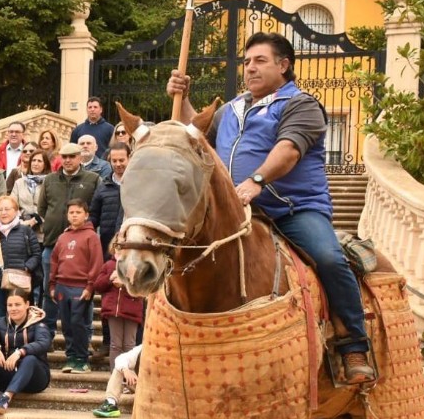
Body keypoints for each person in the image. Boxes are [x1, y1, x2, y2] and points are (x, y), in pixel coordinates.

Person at [167, 31, 375, 382]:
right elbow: (196, 134)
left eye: (260, 61)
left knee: (329, 258)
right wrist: (183, 98)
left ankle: (352, 344)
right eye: (247, 62)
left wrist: (257, 181)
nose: (250, 68)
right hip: (240, 212)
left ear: (284, 65)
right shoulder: (232, 108)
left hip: (295, 210)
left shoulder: (302, 104)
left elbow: (289, 150)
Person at [37, 143, 100, 329]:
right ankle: (46, 334)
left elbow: (96, 209)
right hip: (52, 243)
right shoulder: (49, 179)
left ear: (80, 157)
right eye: (64, 157)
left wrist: (82, 232)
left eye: (72, 156)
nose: (67, 160)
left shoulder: (93, 179)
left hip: (82, 247)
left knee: (84, 295)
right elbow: (42, 208)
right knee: (49, 291)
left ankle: (84, 337)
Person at [0, 289, 52, 415]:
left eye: (17, 304)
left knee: (30, 359)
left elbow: (44, 343)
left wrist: (21, 352)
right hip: (9, 373)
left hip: (35, 378)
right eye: (10, 305)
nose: (13, 309)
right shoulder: (0, 323)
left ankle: (6, 397)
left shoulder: (38, 323)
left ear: (27, 304)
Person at [50, 199, 104, 374]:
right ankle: (71, 357)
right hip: (61, 286)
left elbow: (96, 264)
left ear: (86, 215)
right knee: (66, 324)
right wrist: (52, 285)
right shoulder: (63, 237)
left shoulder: (91, 236)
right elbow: (54, 261)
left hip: (80, 287)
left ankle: (82, 359)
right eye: (71, 212)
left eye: (78, 212)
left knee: (78, 322)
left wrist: (90, 287)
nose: (74, 215)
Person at [0, 195, 42, 321]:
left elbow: (36, 254)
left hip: (20, 282)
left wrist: (26, 267)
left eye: (7, 209)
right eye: (0, 210)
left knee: (20, 317)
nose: (3, 213)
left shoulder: (25, 231)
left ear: (16, 211)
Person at [94, 258, 144, 368]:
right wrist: (110, 278)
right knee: (115, 345)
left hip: (132, 311)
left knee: (129, 345)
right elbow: (98, 285)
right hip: (113, 311)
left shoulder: (138, 264)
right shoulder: (108, 264)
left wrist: (126, 283)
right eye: (117, 247)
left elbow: (143, 290)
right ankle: (115, 376)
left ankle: (128, 377)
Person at [91, 142, 128, 261]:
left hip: (131, 246)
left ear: (130, 158)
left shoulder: (140, 185)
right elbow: (93, 216)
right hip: (107, 247)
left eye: (121, 160)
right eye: (114, 160)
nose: (118, 164)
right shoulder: (103, 187)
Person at [93, 344, 141, 419]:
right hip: (141, 385)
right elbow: (121, 358)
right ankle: (110, 403)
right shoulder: (142, 348)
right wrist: (125, 370)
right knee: (119, 369)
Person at [9, 149, 48, 232]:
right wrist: (22, 220)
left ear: (45, 165)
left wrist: (37, 219)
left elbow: (53, 206)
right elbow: (12, 204)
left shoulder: (50, 182)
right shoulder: (19, 183)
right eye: (33, 160)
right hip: (22, 228)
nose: (35, 163)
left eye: (39, 161)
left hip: (43, 230)